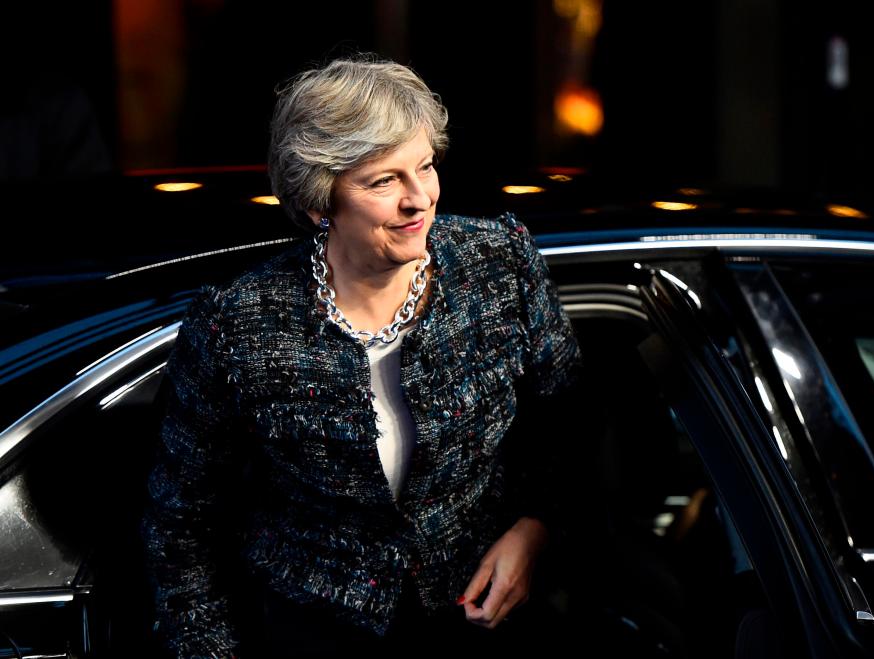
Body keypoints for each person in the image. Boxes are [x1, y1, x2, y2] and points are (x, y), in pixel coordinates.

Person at [140, 53, 584, 659]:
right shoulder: (238, 325)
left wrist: (536, 529)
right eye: (383, 181)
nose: (419, 199)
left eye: (424, 166)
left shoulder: (498, 266)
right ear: (321, 201)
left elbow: (569, 430)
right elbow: (180, 525)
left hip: (484, 626)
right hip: (308, 638)